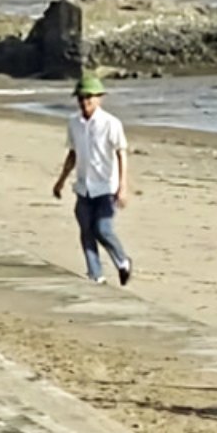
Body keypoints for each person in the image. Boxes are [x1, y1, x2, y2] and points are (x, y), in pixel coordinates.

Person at [52, 74, 132, 286]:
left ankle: (122, 261)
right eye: (81, 97)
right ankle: (96, 274)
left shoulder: (111, 123)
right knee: (86, 230)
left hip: (106, 186)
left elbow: (121, 153)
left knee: (102, 228)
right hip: (83, 186)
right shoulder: (74, 123)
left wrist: (123, 186)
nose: (84, 101)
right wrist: (61, 181)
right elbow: (73, 154)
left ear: (99, 98)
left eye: (89, 97)